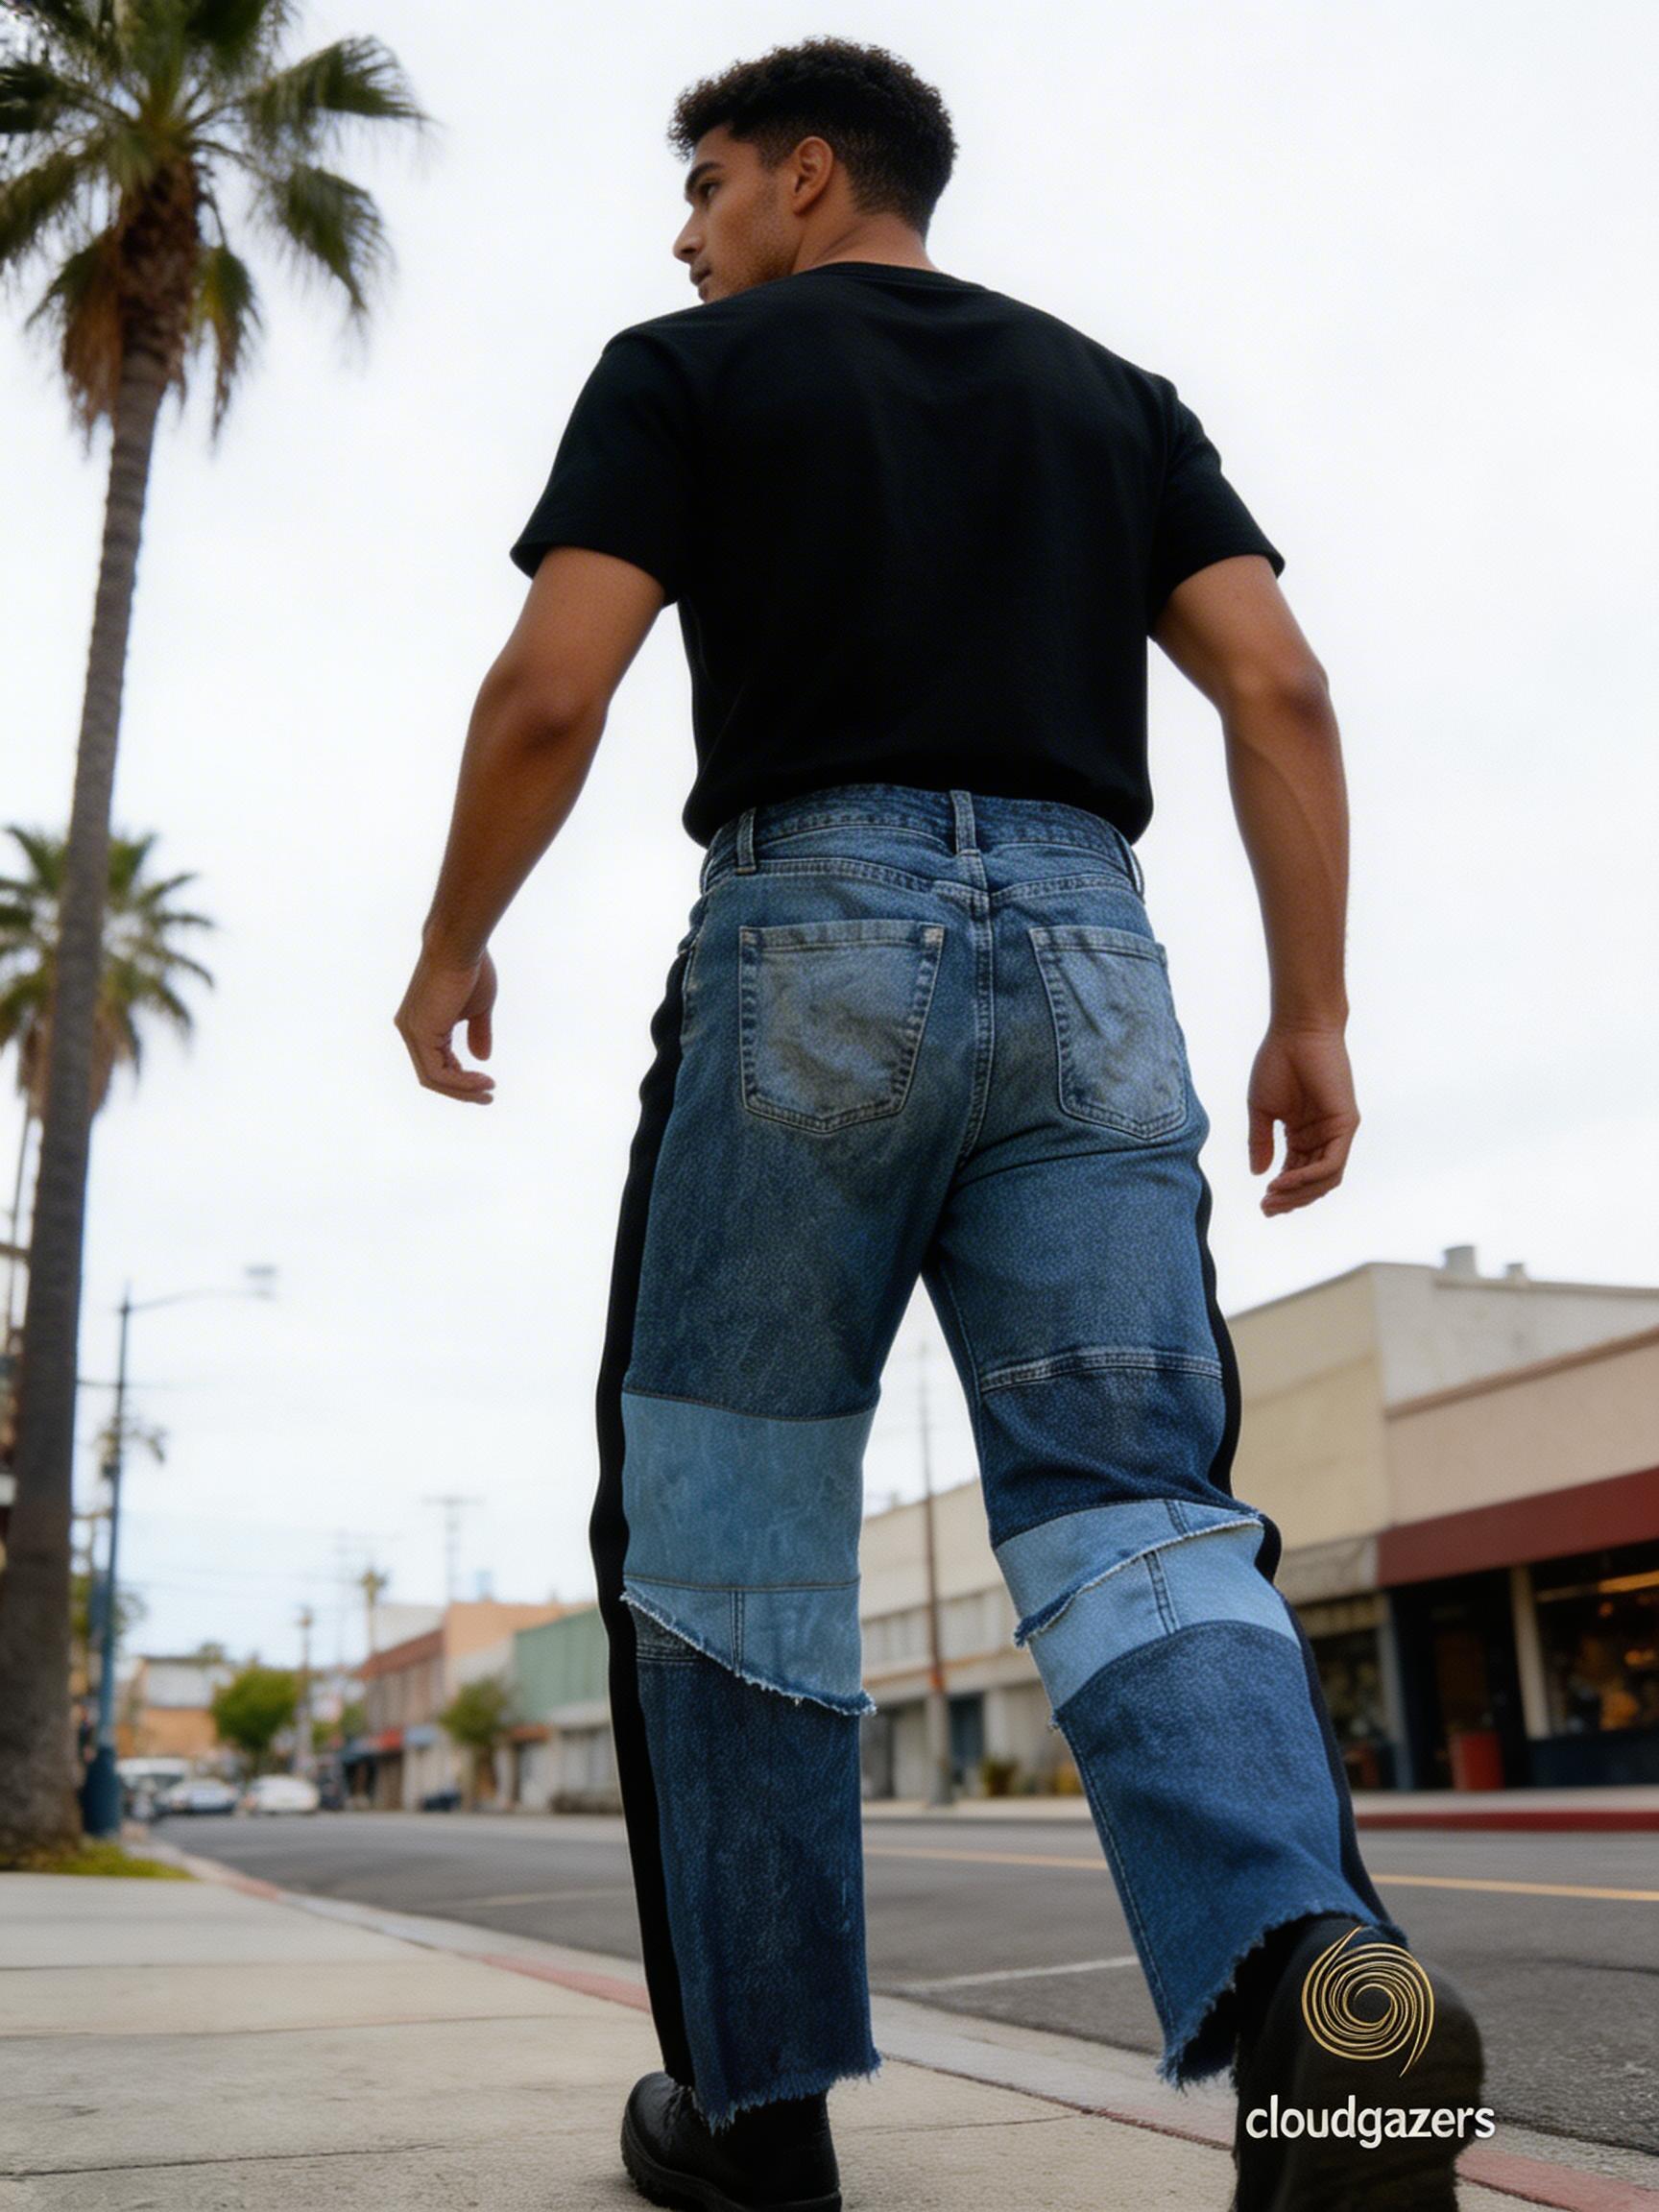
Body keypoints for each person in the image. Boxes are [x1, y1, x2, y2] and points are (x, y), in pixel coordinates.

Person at [396, 36, 1485, 2212]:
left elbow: (550, 685)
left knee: (726, 1524)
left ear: (811, 176)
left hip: (814, 937)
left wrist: (448, 946)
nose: (686, 234)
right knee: (1139, 1513)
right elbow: (1278, 687)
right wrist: (1315, 1013)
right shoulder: (1113, 394)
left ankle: (760, 2107)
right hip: (1101, 965)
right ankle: (1321, 2001)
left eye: (705, 185)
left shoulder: (685, 376)